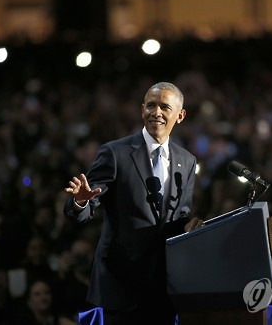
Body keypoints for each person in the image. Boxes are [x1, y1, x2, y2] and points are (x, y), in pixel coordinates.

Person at [63, 82, 203, 325]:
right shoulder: (115, 153)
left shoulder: (187, 161)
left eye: (164, 107)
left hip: (163, 287)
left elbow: (179, 217)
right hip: (120, 285)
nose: (156, 112)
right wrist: (80, 202)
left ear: (180, 116)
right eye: (150, 105)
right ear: (142, 110)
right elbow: (80, 214)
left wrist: (190, 229)